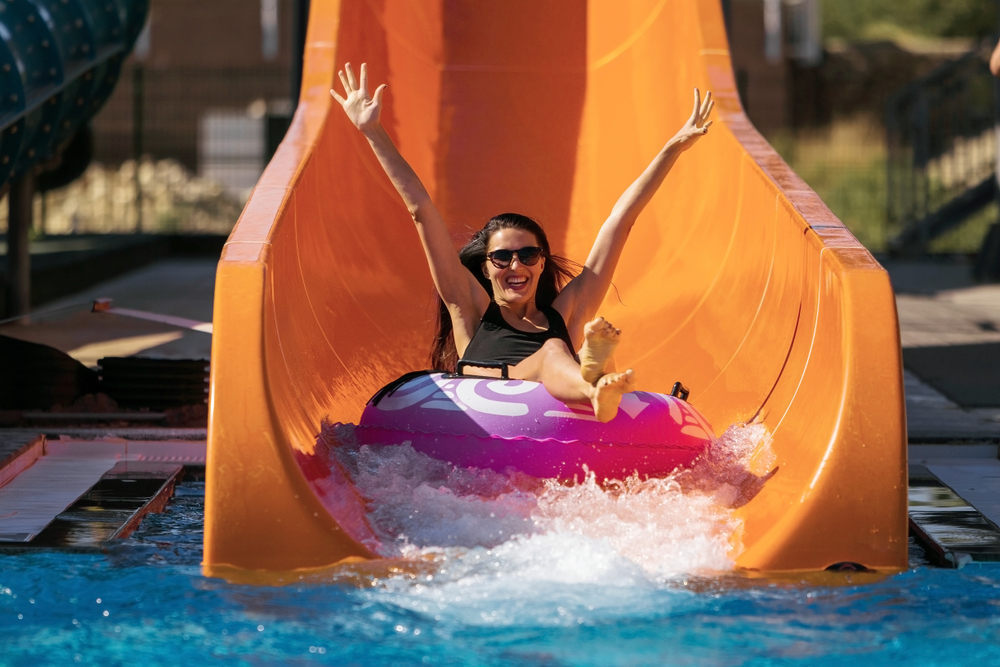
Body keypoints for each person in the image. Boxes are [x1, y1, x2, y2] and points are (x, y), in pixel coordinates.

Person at [331, 63, 713, 422]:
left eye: (529, 254)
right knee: (553, 352)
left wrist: (672, 149)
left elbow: (620, 223)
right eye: (502, 257)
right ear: (485, 266)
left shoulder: (566, 315)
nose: (516, 266)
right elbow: (421, 210)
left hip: (561, 404)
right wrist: (372, 131)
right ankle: (591, 382)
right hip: (490, 412)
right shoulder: (471, 310)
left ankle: (595, 375)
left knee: (580, 346)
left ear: (542, 262)